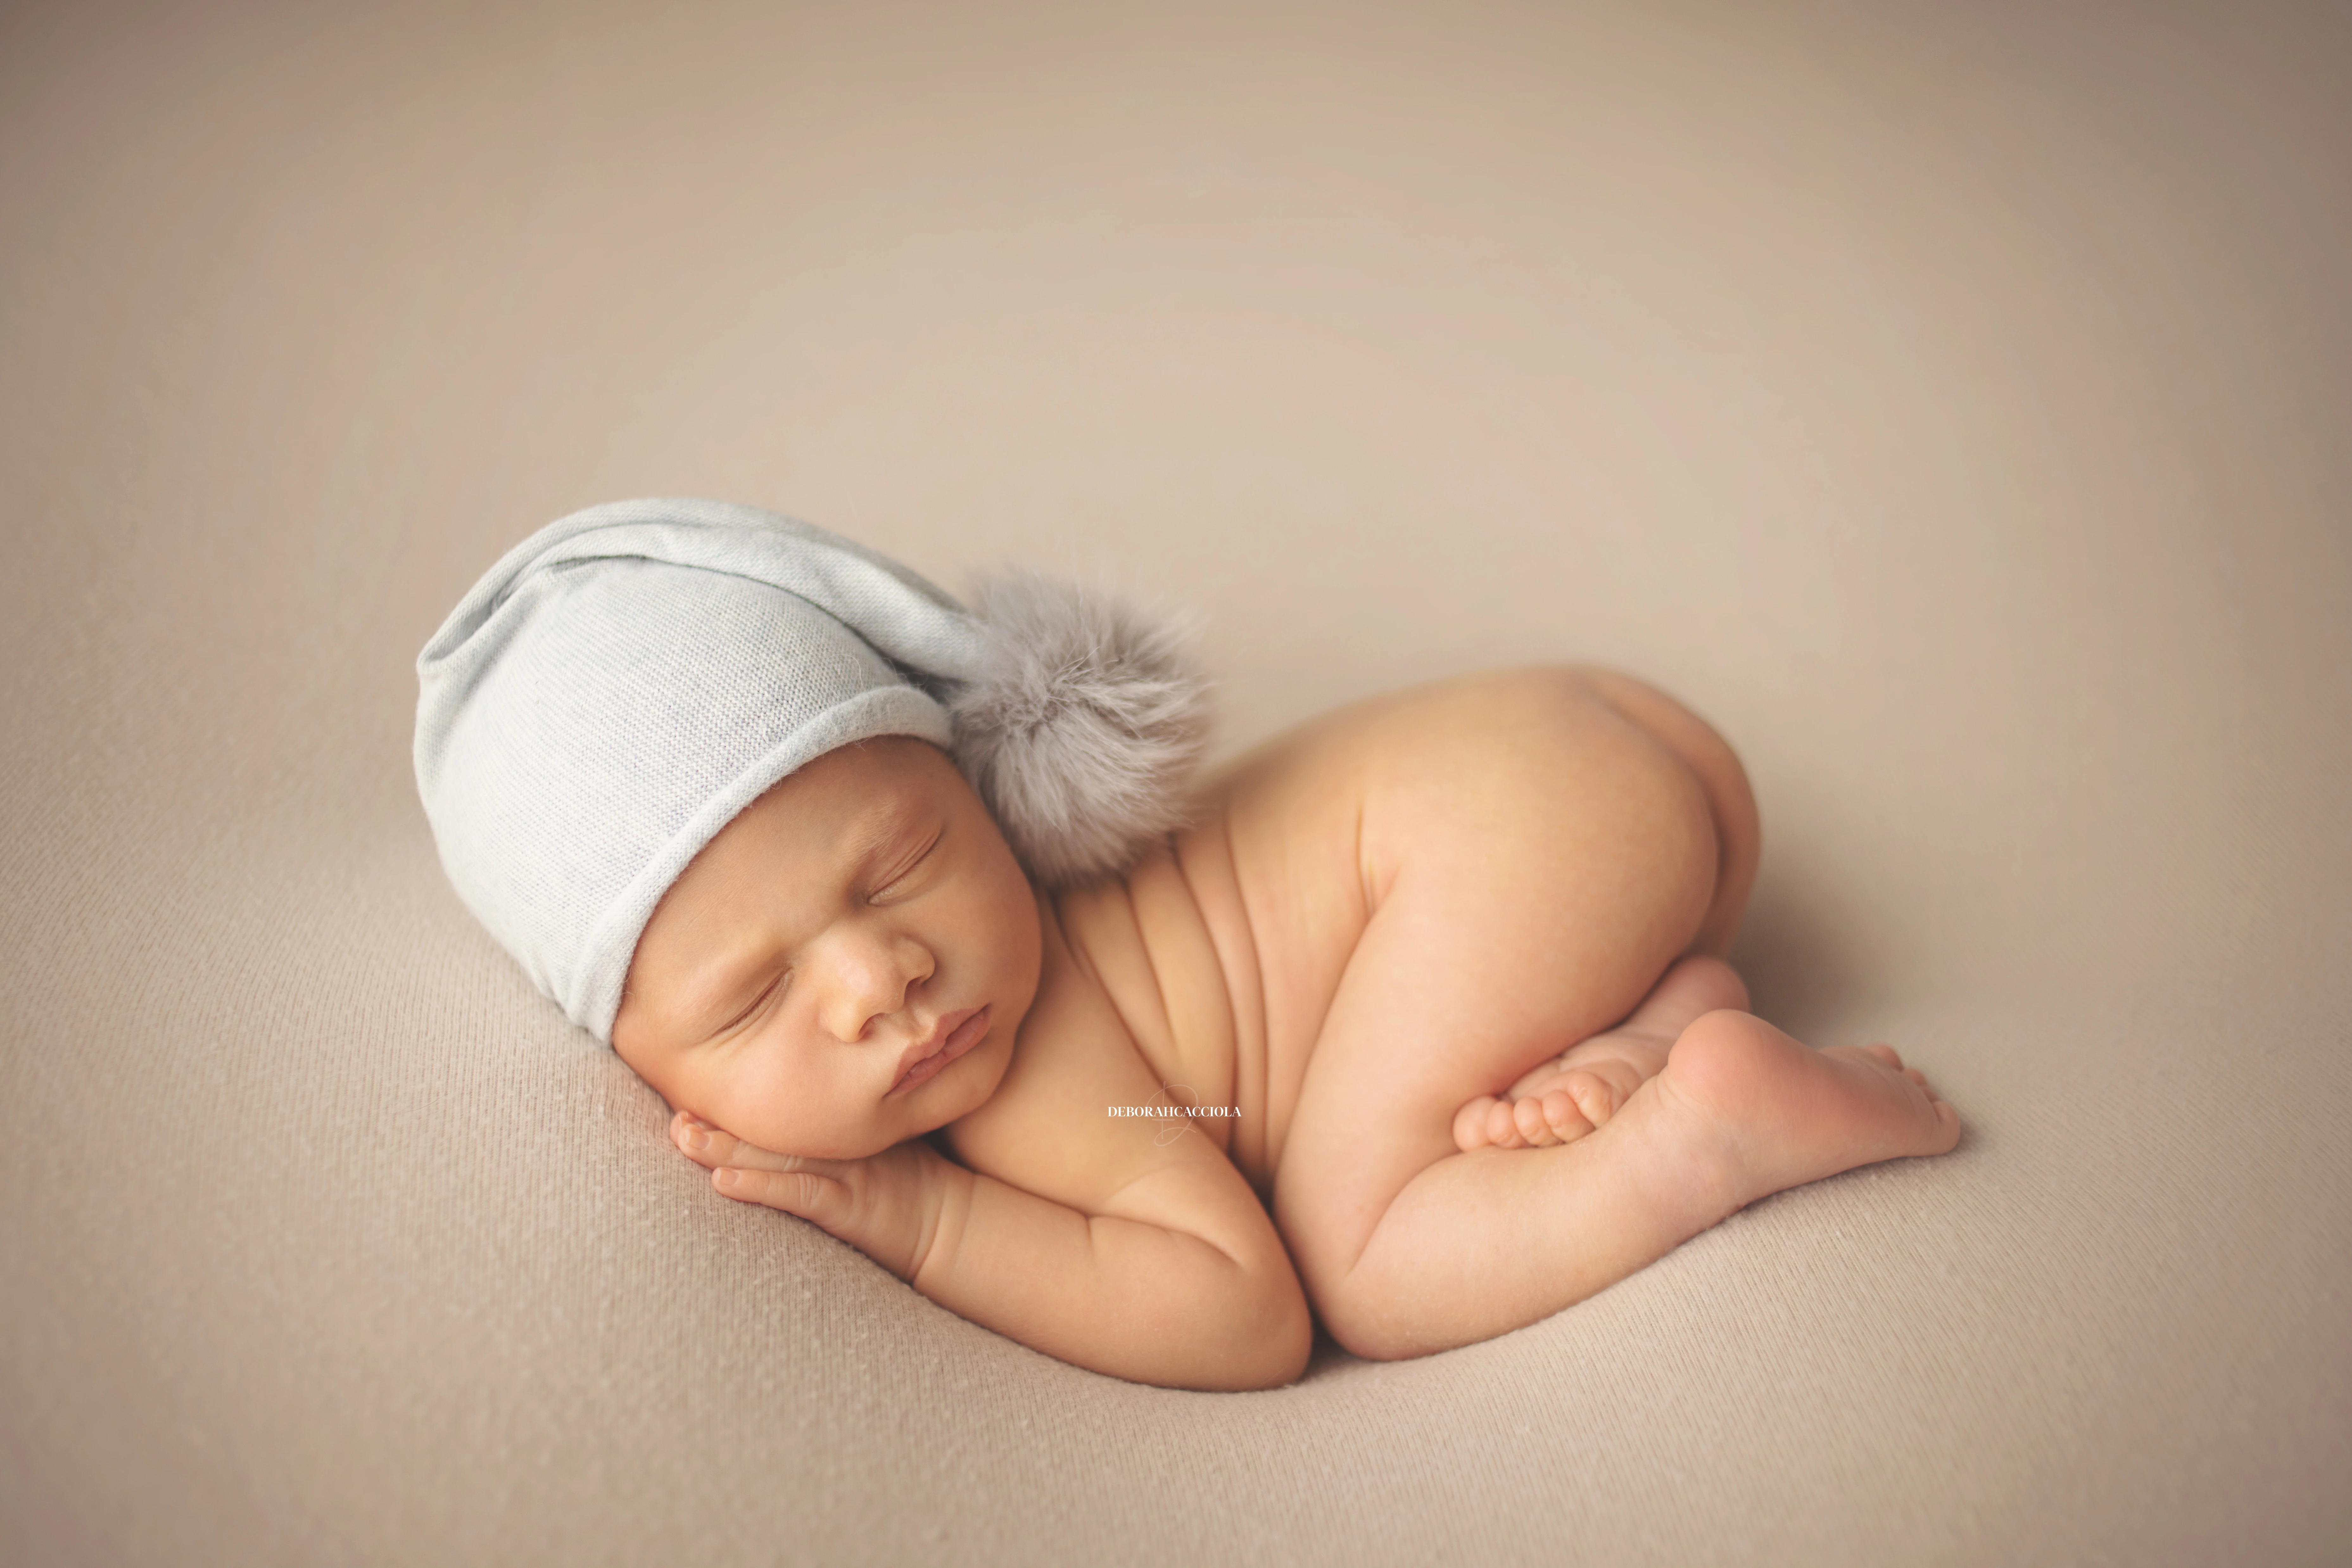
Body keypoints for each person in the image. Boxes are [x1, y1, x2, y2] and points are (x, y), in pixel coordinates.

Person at [416, 498, 1959, 1392]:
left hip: (1507, 833)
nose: (881, 978)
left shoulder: (1019, 1075)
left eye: (904, 865)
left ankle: (1702, 1134)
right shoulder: (952, 995)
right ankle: (1655, 1021)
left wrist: (921, 1219)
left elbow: (1244, 1309)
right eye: (755, 994)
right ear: (638, 1060)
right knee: (1453, 1046)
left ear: (972, 781)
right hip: (1588, 778)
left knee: (1368, 1255)